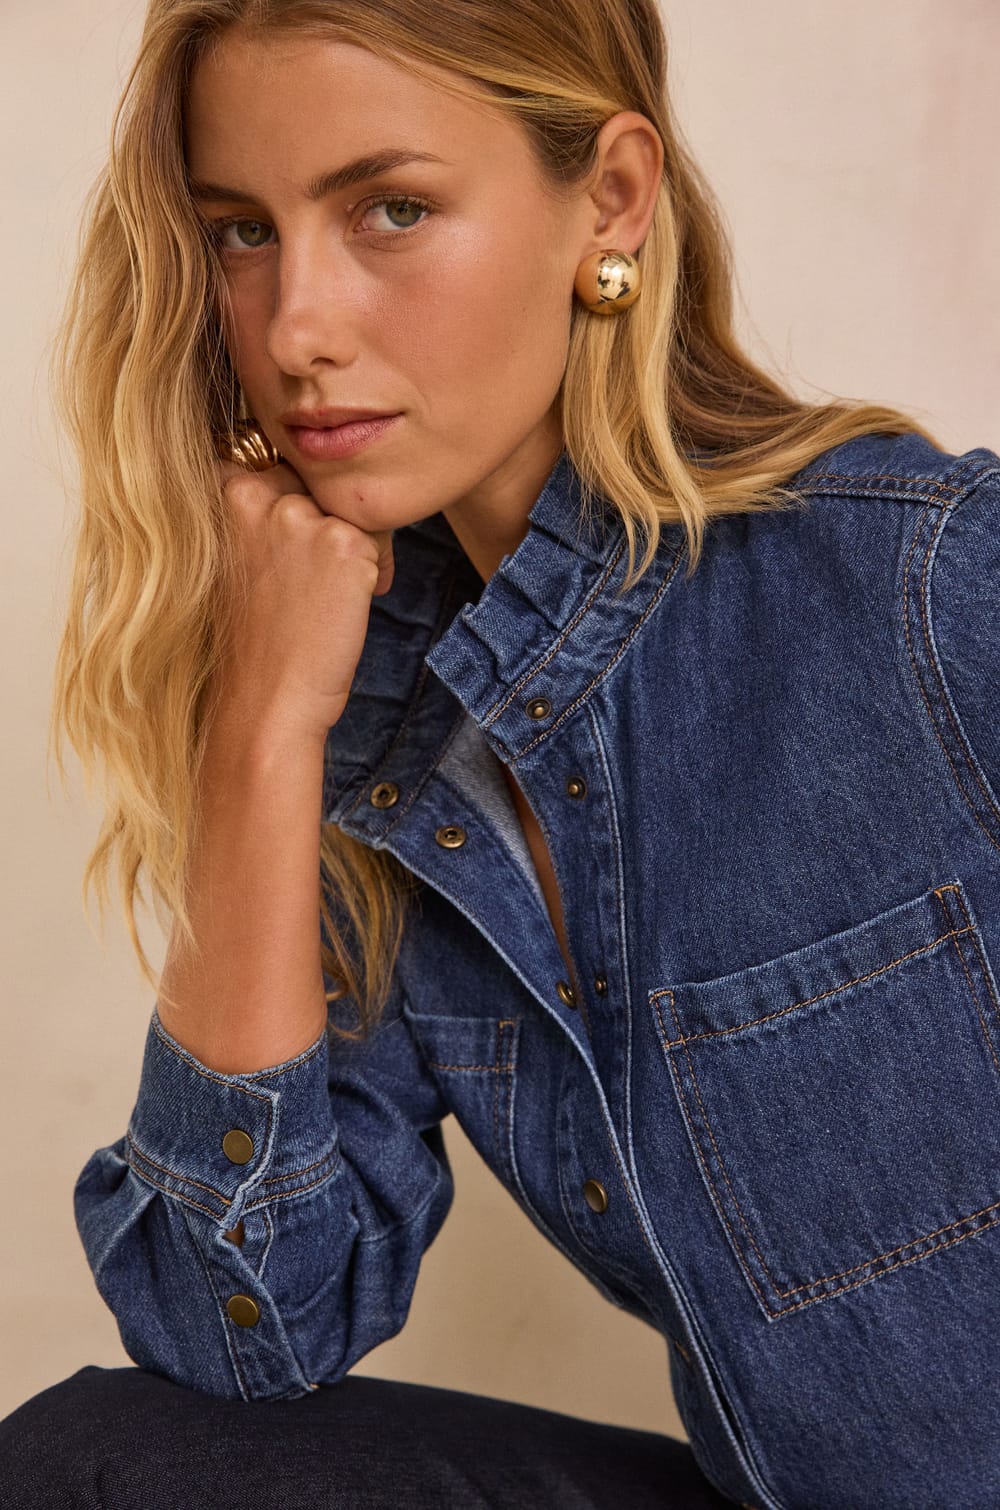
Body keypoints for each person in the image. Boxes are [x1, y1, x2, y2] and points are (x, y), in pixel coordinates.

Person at [2, 0, 999, 1505]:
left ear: (611, 200)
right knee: (92, 1466)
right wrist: (261, 736)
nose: (296, 329)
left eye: (390, 210)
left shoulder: (928, 584)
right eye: (243, 232)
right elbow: (238, 1323)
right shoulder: (379, 731)